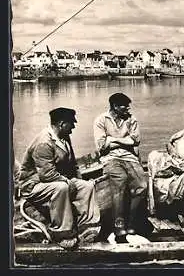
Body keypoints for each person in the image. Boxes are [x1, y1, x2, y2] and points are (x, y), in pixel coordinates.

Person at [17, 107, 101, 249]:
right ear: (62, 124)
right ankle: (62, 232)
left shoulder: (64, 138)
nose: (73, 126)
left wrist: (78, 180)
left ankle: (86, 226)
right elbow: (47, 175)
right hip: (33, 185)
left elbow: (73, 165)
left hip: (56, 178)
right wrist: (68, 182)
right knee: (61, 187)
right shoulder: (44, 142)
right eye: (71, 123)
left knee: (87, 186)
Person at [93, 93, 148, 243]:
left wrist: (113, 139)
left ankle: (131, 223)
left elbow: (135, 141)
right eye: (124, 105)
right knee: (120, 184)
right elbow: (101, 146)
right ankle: (119, 226)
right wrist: (124, 141)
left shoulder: (131, 119)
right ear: (115, 106)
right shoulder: (101, 120)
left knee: (142, 186)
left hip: (129, 157)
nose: (128, 108)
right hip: (110, 158)